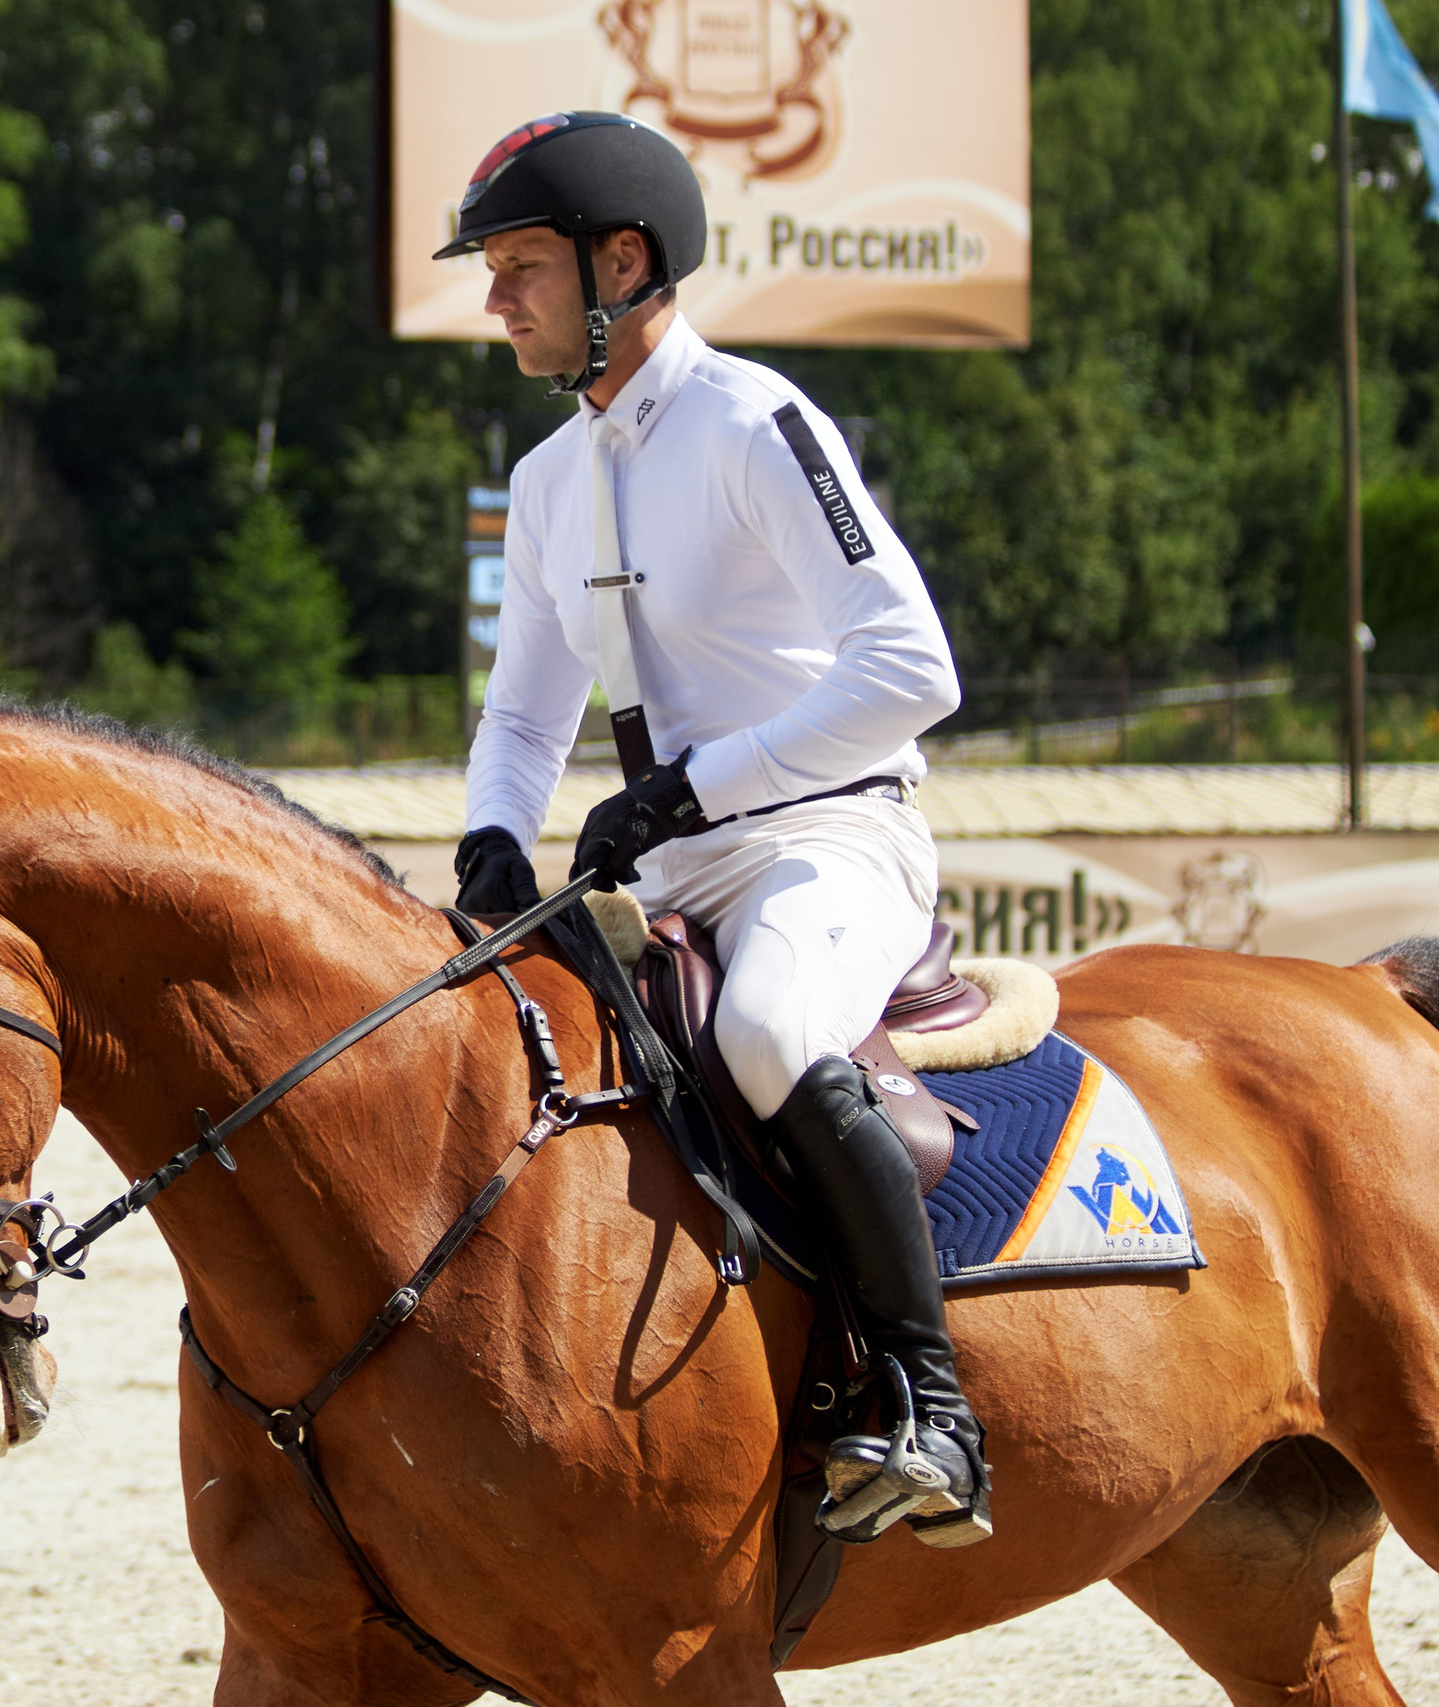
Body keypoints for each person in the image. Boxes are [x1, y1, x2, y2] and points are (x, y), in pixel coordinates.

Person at [440, 112, 985, 1548]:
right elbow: (522, 721)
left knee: (761, 1033)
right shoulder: (553, 481)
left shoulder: (757, 423)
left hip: (832, 843)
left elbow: (913, 670)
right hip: (670, 867)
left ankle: (936, 1406)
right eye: (491, 269)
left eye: (520, 266)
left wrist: (697, 786)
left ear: (623, 261)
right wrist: (493, 839)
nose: (494, 297)